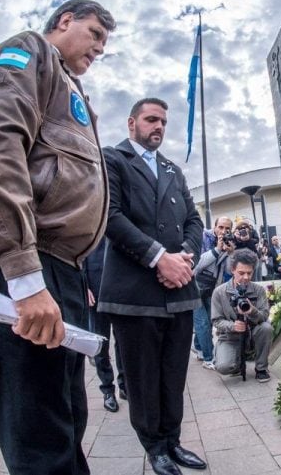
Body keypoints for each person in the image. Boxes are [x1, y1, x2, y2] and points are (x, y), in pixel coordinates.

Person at [0, 0, 115, 475]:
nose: (100, 49)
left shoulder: (75, 90)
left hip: (60, 270)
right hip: (28, 266)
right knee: (39, 440)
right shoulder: (28, 53)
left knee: (66, 420)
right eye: (95, 35)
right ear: (64, 21)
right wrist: (25, 279)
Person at [98, 97, 207, 475]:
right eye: (150, 120)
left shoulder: (172, 170)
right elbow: (110, 216)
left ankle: (173, 441)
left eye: (163, 121)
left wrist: (185, 258)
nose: (158, 126)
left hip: (178, 290)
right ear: (132, 124)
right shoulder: (113, 159)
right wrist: (160, 257)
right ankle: (154, 446)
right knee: (143, 378)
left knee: (173, 375)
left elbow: (194, 220)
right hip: (136, 292)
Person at [211, 248, 273, 383]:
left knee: (266, 328)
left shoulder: (259, 290)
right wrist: (233, 326)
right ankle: (230, 359)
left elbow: (264, 315)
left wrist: (252, 311)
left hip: (253, 333)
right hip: (230, 336)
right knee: (224, 367)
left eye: (249, 273)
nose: (246, 277)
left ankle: (261, 368)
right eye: (241, 273)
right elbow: (216, 320)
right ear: (232, 270)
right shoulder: (219, 292)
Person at [84, 236, 125, 412]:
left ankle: (125, 385)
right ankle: (108, 390)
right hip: (96, 291)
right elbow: (78, 256)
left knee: (123, 343)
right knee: (101, 344)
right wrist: (83, 286)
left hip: (119, 292)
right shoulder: (88, 222)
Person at [193, 227, 236, 369]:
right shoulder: (202, 239)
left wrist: (230, 253)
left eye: (227, 228)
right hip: (194, 288)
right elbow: (198, 265)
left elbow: (230, 271)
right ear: (215, 227)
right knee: (203, 323)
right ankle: (208, 358)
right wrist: (217, 249)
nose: (223, 231)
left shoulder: (228, 244)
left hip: (211, 289)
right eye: (221, 227)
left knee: (209, 323)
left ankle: (198, 346)